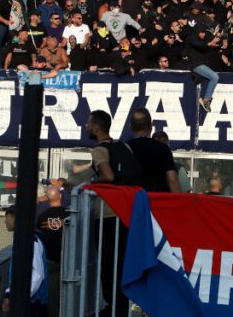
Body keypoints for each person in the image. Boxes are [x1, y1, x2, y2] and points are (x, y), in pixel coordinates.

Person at [85, 110, 142, 317]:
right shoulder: (124, 146)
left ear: (97, 127)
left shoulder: (99, 151)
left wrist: (92, 182)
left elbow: (108, 175)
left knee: (108, 265)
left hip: (108, 215)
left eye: (89, 123)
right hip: (127, 213)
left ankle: (112, 308)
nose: (86, 126)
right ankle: (121, 307)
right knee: (122, 264)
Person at [2, 204, 49, 316]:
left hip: (32, 305)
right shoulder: (27, 239)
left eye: (6, 216)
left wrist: (15, 297)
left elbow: (37, 275)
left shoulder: (30, 241)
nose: (5, 221)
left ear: (14, 217)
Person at [127, 108, 181, 192]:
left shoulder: (124, 148)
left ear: (131, 127)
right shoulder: (163, 149)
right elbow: (172, 180)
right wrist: (179, 203)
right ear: (151, 126)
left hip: (133, 200)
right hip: (159, 201)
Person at [35, 186, 68, 317]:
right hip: (68, 261)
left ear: (47, 198)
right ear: (60, 197)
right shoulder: (69, 214)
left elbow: (39, 238)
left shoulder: (42, 217)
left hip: (50, 262)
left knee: (52, 296)